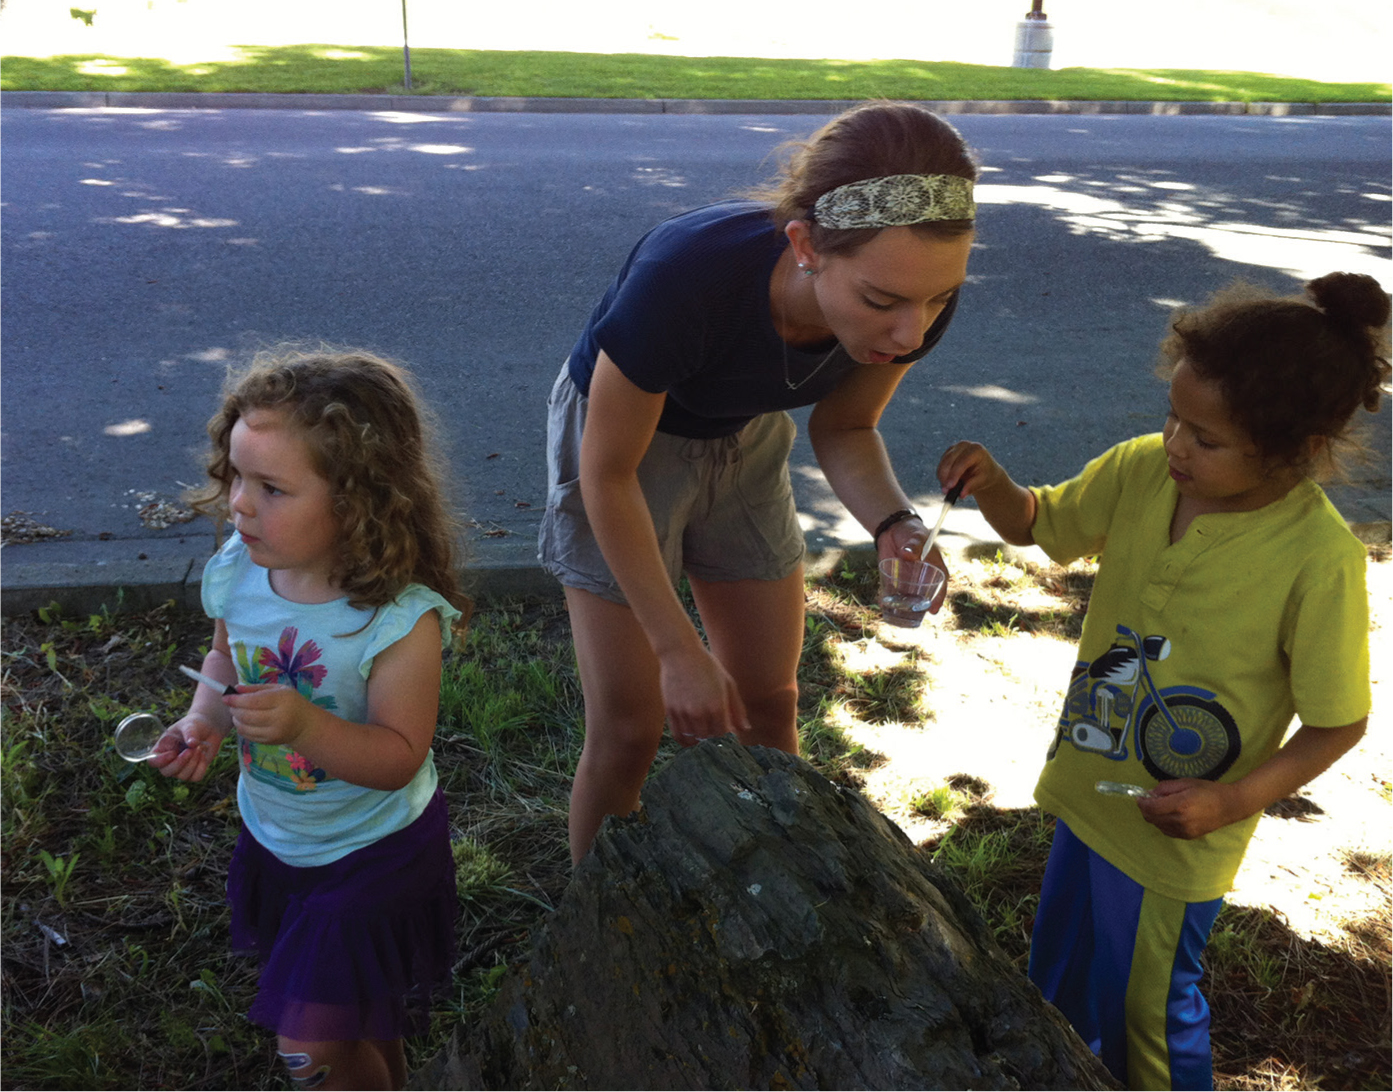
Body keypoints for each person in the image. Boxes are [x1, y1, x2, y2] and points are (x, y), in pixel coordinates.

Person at [936, 272, 1389, 1090]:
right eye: (1172, 416)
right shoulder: (1144, 469)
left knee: (1145, 1011)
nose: (1177, 443)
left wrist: (1233, 799)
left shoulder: (1318, 559)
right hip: (1088, 786)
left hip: (1175, 834)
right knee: (1058, 982)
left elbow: (1337, 723)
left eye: (1206, 438)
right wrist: (994, 483)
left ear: (1296, 446)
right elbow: (1042, 523)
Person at [539, 100, 980, 863]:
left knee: (769, 701)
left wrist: (894, 524)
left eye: (937, 298)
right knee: (631, 725)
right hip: (622, 450)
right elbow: (604, 473)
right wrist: (676, 647)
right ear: (805, 245)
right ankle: (594, 921)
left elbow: (845, 428)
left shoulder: (913, 292)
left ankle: (782, 885)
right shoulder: (684, 276)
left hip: (745, 434)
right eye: (882, 301)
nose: (912, 331)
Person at [152, 348, 471, 1091]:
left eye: (271, 487)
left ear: (358, 500)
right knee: (357, 1019)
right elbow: (225, 653)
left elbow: (398, 754)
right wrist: (204, 718)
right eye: (235, 475)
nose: (238, 503)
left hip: (372, 856)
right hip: (279, 839)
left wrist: (303, 728)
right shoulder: (241, 566)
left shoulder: (397, 620)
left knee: (308, 1046)